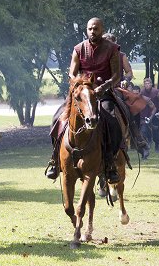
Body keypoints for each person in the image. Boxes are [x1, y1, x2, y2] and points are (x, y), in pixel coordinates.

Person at [45, 17, 123, 183]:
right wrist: (80, 84)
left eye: (96, 28)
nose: (92, 32)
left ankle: (109, 162)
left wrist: (104, 86)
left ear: (102, 29)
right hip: (81, 93)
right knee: (57, 118)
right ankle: (54, 159)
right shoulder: (79, 49)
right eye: (90, 29)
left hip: (103, 93)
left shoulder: (112, 49)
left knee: (112, 121)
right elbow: (72, 73)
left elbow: (117, 75)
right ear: (86, 30)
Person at [140, 78, 159, 153]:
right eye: (145, 83)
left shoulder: (156, 92)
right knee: (145, 130)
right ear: (144, 85)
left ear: (151, 84)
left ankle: (157, 144)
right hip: (145, 114)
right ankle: (148, 142)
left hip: (155, 113)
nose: (147, 85)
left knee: (155, 130)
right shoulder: (141, 92)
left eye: (148, 83)